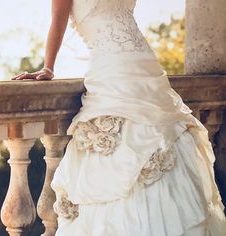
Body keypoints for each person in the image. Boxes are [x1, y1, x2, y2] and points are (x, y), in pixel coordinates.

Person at [12, 0, 226, 235]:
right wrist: (48, 68)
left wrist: (48, 68)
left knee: (158, 140)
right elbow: (58, 21)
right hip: (121, 68)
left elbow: (62, 21)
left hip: (135, 68)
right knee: (136, 143)